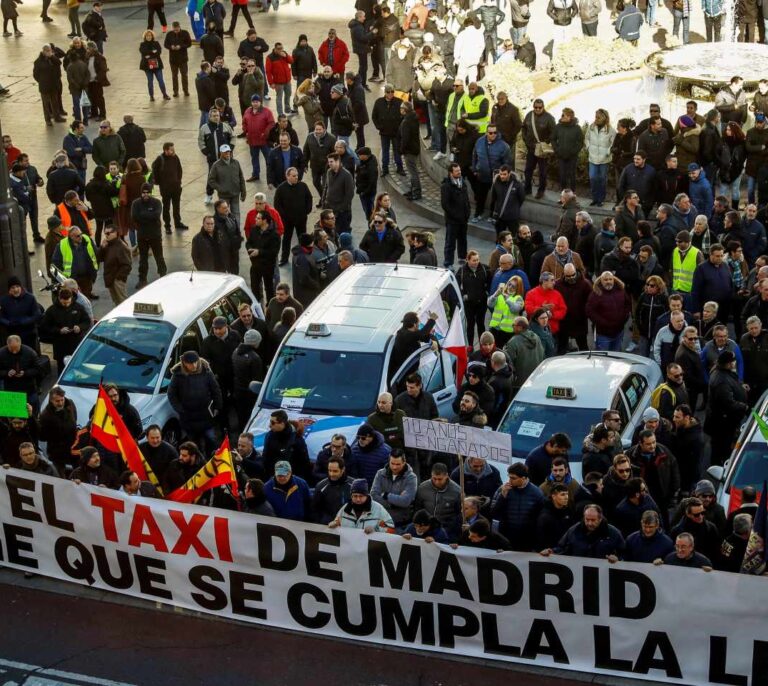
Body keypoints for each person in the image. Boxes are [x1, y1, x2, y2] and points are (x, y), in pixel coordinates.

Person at [167, 350, 222, 455]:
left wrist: (217, 407)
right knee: (193, 445)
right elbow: (171, 394)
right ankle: (197, 463)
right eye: (190, 363)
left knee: (211, 440)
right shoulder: (178, 375)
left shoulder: (206, 371)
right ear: (184, 363)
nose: (194, 365)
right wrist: (180, 409)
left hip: (205, 414)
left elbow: (216, 390)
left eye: (195, 362)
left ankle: (213, 460)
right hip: (188, 416)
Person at [705, 350, 750, 465]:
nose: (735, 363)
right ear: (729, 363)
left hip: (724, 421)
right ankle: (720, 467)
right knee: (722, 447)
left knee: (720, 445)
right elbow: (728, 403)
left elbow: (731, 384)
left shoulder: (723, 372)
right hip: (722, 423)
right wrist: (744, 407)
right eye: (733, 361)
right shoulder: (721, 381)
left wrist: (740, 387)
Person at [491, 462, 544, 551]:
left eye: (513, 478)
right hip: (506, 538)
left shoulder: (536, 493)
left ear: (523, 478)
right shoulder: (503, 489)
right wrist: (502, 496)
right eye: (509, 477)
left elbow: (540, 520)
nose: (509, 480)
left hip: (527, 540)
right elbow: (494, 513)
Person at [39, 288, 90, 373]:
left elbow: (86, 321)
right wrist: (59, 330)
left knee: (77, 366)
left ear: (71, 298)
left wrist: (80, 327)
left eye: (68, 303)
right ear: (59, 298)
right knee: (62, 369)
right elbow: (44, 327)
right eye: (64, 303)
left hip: (75, 342)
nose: (66, 305)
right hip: (60, 345)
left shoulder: (78, 307)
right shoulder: (52, 310)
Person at [131, 183, 167, 289]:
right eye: (143, 192)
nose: (145, 194)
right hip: (142, 235)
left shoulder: (156, 202)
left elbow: (156, 215)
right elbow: (134, 217)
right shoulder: (136, 203)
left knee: (159, 257)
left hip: (155, 235)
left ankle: (163, 275)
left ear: (150, 193)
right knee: (143, 258)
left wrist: (143, 215)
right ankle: (142, 279)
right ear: (141, 193)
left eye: (147, 192)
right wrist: (149, 216)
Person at [387, 310, 437, 383]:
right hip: (404, 375)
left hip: (409, 371)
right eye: (418, 323)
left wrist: (431, 337)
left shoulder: (407, 333)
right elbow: (422, 333)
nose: (419, 325)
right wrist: (432, 320)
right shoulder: (404, 335)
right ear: (414, 324)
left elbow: (423, 336)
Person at [415, 462, 462, 540]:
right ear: (431, 475)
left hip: (447, 531)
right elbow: (417, 509)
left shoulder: (457, 491)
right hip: (425, 529)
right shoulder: (422, 488)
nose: (437, 482)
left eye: (440, 479)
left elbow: (458, 515)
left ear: (446, 476)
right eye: (434, 478)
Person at [522, 99, 556, 199]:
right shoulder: (529, 115)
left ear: (543, 107)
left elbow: (553, 133)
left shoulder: (549, 118)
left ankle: (541, 190)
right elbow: (524, 127)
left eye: (539, 107)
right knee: (528, 170)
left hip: (542, 150)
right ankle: (527, 189)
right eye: (535, 107)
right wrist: (525, 139)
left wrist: (545, 142)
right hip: (531, 148)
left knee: (542, 172)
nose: (537, 109)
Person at [440, 162, 471, 269]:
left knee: (463, 240)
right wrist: (456, 215)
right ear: (451, 173)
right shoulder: (446, 186)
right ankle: (448, 263)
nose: (459, 172)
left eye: (460, 170)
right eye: (457, 171)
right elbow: (445, 204)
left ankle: (462, 257)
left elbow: (466, 199)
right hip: (452, 220)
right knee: (450, 243)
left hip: (463, 219)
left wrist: (468, 213)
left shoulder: (463, 182)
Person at [96, 225, 131, 305]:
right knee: (116, 301)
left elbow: (127, 265)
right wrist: (102, 247)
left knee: (123, 302)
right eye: (105, 234)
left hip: (117, 280)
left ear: (115, 233)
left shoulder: (121, 246)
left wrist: (119, 278)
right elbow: (99, 258)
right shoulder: (107, 245)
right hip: (109, 278)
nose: (106, 236)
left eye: (108, 233)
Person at [139, 30, 171, 101]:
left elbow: (158, 52)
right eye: (147, 36)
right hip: (147, 66)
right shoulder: (142, 44)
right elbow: (143, 52)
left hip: (157, 66)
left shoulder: (156, 43)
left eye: (150, 35)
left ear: (152, 36)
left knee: (161, 81)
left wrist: (149, 55)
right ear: (145, 37)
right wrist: (152, 53)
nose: (149, 37)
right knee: (150, 82)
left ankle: (164, 94)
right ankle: (151, 96)